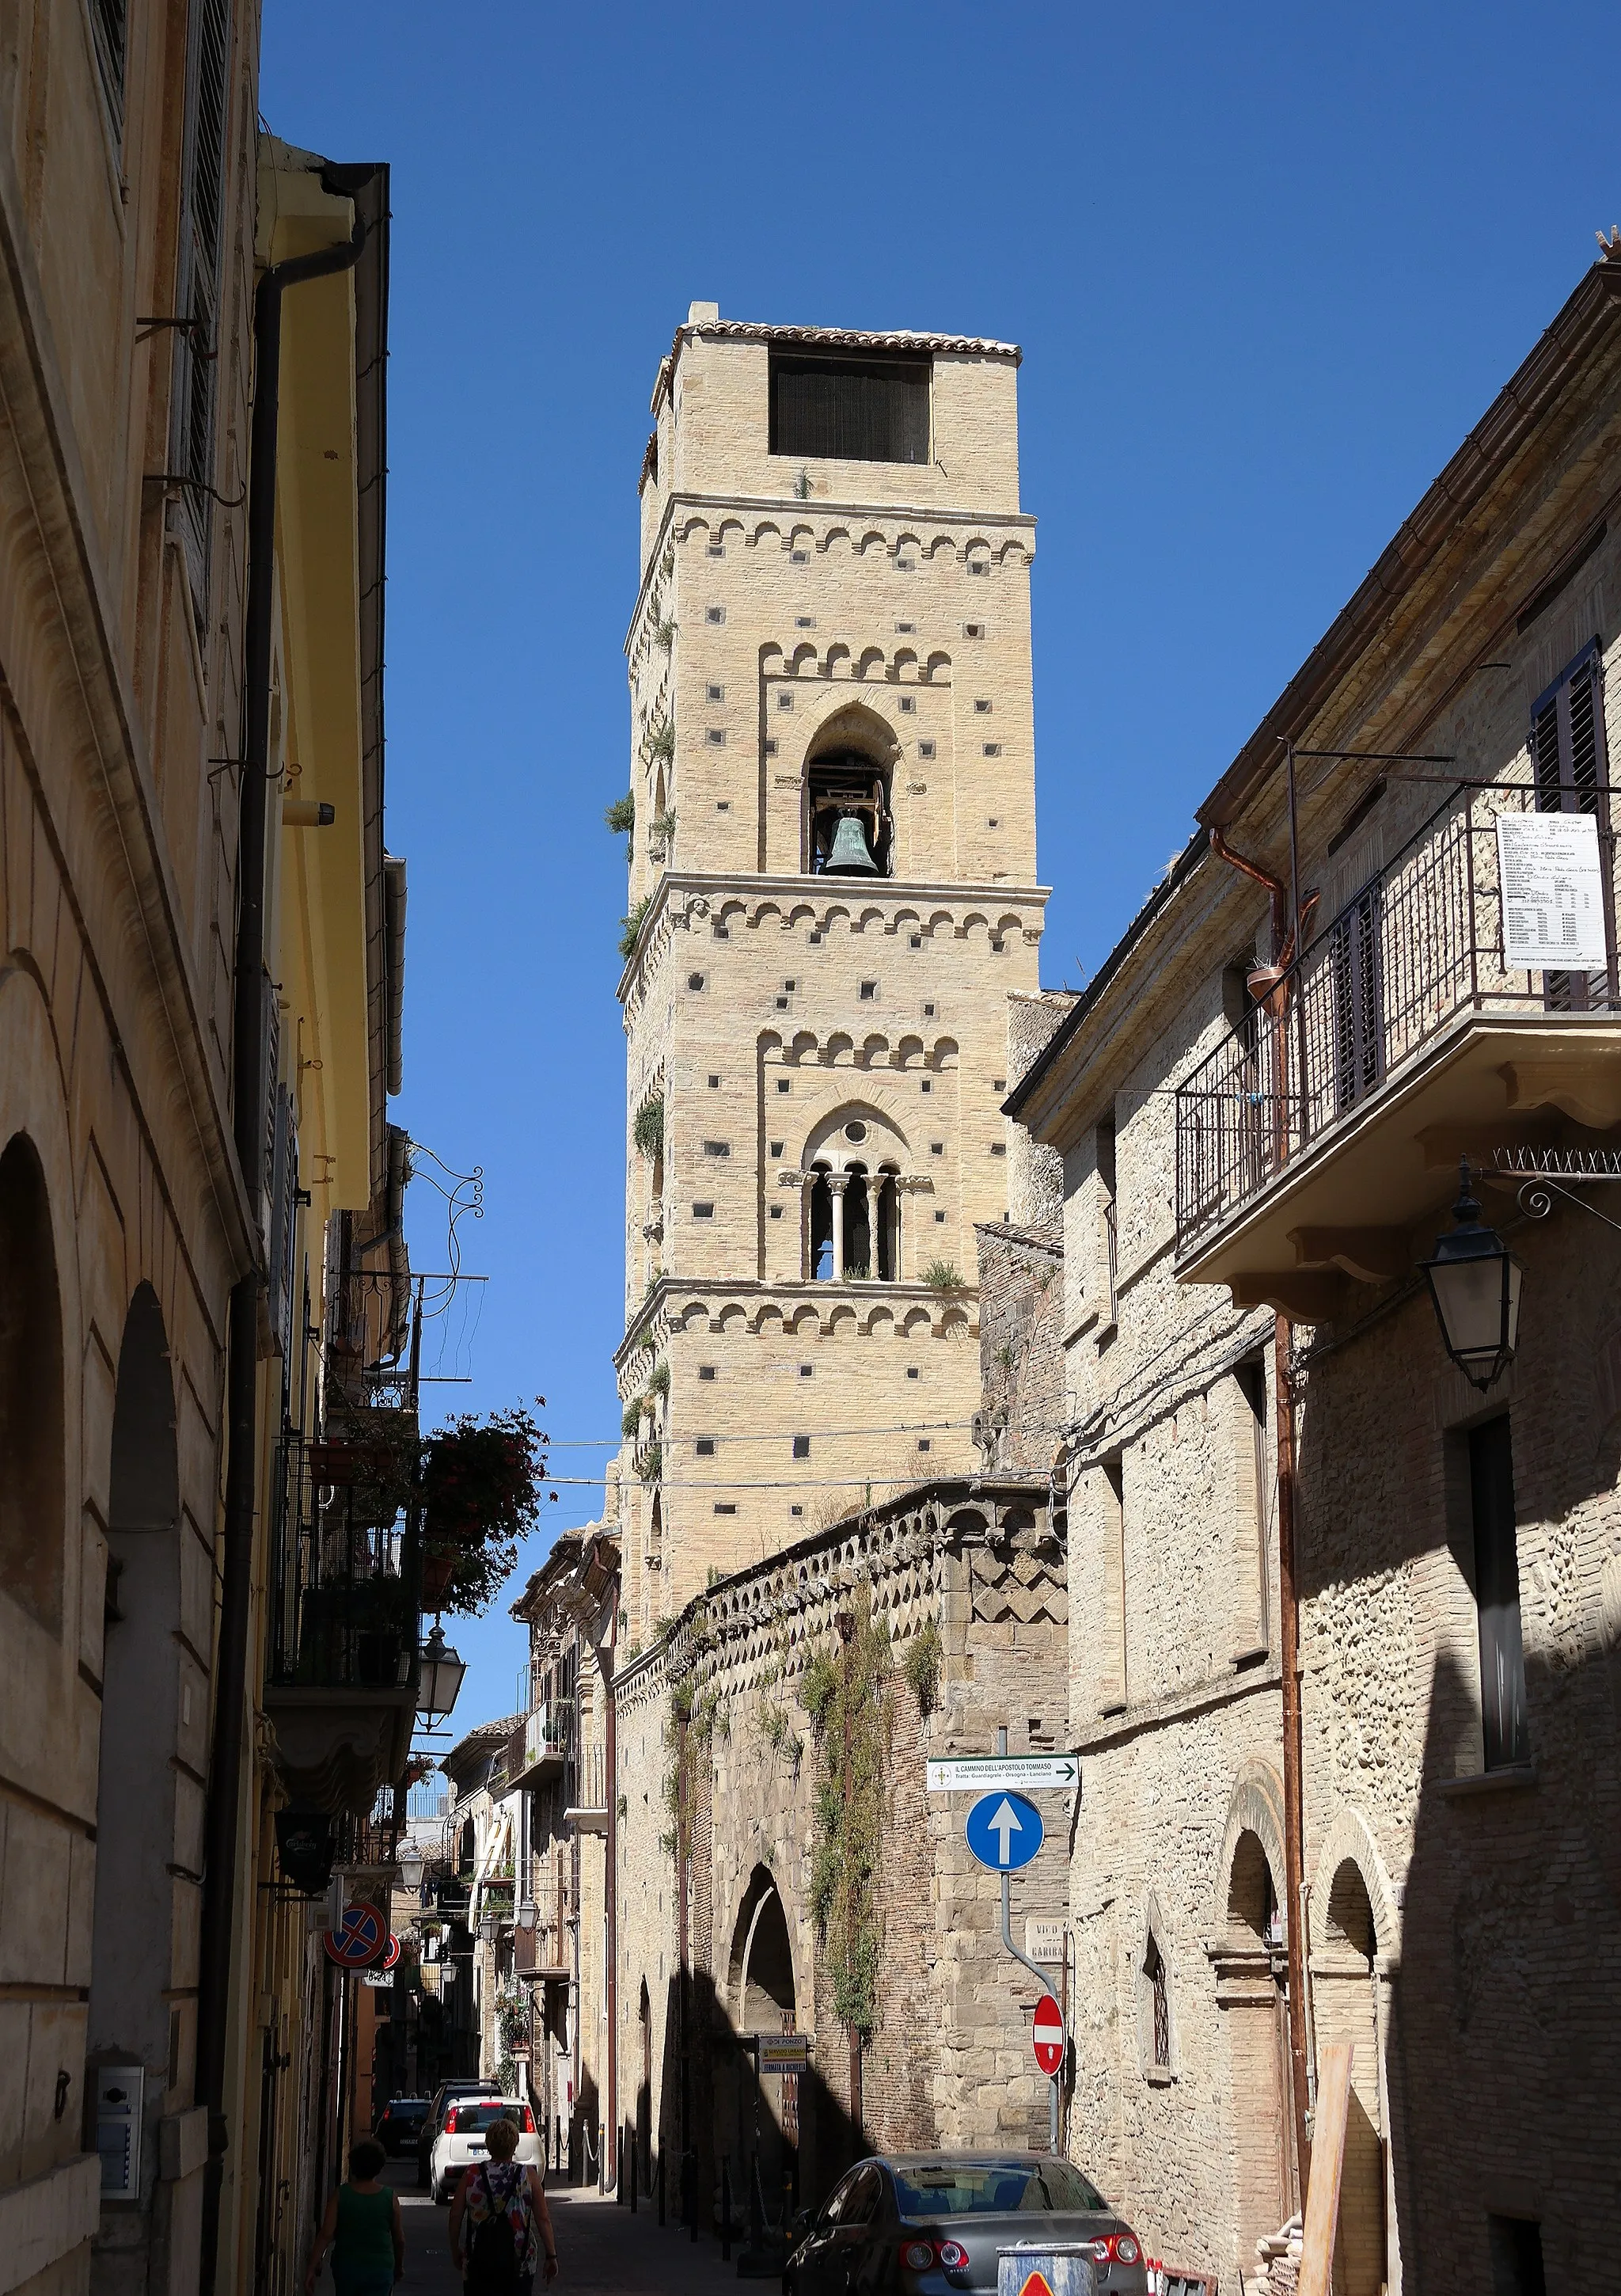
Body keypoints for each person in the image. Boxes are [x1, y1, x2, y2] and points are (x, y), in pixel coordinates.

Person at [449, 2111, 558, 2290]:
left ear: (488, 2144)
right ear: (514, 2145)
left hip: (479, 2257)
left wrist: (455, 2250)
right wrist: (551, 2255)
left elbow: (455, 2215)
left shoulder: (472, 2174)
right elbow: (542, 2218)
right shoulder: (528, 2175)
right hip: (519, 2259)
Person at [306, 2134, 405, 2296]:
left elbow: (326, 2234)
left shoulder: (340, 2195)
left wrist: (312, 2267)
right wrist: (399, 2267)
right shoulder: (390, 2197)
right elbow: (399, 2239)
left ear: (353, 2165)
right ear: (379, 2166)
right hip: (380, 2269)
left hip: (347, 2269)